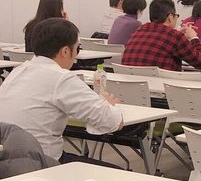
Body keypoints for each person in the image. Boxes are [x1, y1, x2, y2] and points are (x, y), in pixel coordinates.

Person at [0, 18, 122, 162]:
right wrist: (106, 104)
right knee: (121, 173)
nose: (76, 54)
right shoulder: (61, 78)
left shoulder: (17, 71)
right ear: (65, 51)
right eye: (77, 49)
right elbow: (113, 121)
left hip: (7, 161)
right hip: (42, 162)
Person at [121, 0, 201, 71]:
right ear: (170, 17)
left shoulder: (139, 30)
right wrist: (194, 37)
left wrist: (178, 34)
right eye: (176, 16)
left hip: (131, 81)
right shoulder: (175, 36)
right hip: (163, 84)